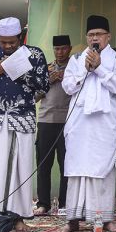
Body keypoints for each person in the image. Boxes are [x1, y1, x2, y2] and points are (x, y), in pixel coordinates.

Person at [0, 17, 49, 232]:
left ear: (20, 38)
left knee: (19, 167)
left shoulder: (33, 55)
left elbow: (44, 84)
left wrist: (18, 70)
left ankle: (16, 217)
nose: (7, 46)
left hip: (21, 118)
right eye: (3, 42)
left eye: (12, 42)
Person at [61, 15, 116, 232]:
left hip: (103, 124)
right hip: (79, 123)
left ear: (108, 36)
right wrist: (85, 70)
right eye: (91, 35)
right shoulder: (77, 58)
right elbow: (68, 86)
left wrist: (99, 68)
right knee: (77, 168)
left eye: (99, 34)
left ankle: (106, 219)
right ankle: (73, 218)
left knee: (103, 168)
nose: (94, 38)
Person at [34, 35, 72, 216]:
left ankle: (65, 204)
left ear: (70, 49)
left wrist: (66, 78)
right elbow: (33, 97)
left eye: (64, 48)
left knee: (67, 165)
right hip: (45, 121)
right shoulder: (45, 69)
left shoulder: (75, 69)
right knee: (43, 164)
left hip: (68, 122)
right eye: (57, 49)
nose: (60, 52)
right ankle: (43, 204)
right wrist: (48, 81)